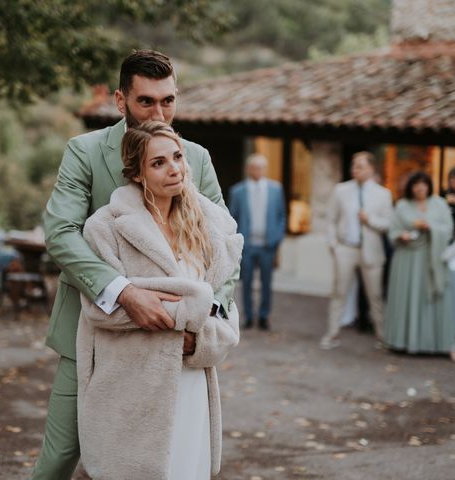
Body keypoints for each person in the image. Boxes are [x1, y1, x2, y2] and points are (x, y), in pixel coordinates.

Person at [32, 50, 238, 480]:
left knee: (174, 455)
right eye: (146, 101)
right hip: (92, 331)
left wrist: (204, 320)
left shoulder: (195, 157)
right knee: (61, 456)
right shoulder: (85, 151)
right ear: (121, 101)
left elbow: (227, 245)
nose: (158, 112)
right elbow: (61, 233)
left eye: (168, 100)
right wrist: (124, 293)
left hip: (175, 342)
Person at [76, 121, 241, 479]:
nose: (174, 169)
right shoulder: (105, 228)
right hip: (132, 386)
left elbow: (224, 311)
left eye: (178, 157)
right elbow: (99, 310)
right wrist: (182, 313)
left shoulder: (209, 228)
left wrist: (199, 342)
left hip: (191, 381)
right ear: (136, 174)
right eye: (158, 163)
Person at [384, 172, 455, 363]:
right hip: (406, 259)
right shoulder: (402, 205)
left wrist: (430, 227)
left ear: (429, 186)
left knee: (434, 299)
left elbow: (449, 229)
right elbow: (392, 230)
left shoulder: (440, 204)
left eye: (424, 184)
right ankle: (401, 340)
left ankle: (442, 344)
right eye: (416, 185)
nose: (420, 188)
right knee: (407, 298)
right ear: (410, 187)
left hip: (431, 258)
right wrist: (402, 235)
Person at [321, 152, 393, 349]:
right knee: (338, 293)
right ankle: (332, 334)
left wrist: (370, 220)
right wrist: (334, 246)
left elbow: (388, 223)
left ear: (371, 169)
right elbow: (331, 220)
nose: (355, 169)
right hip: (345, 248)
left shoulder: (383, 194)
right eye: (354, 165)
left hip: (371, 251)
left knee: (375, 296)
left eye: (360, 166)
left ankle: (382, 336)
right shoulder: (341, 190)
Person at [228, 154, 286, 330]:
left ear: (265, 169)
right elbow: (232, 217)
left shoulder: (276, 189)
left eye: (260, 167)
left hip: (268, 245)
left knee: (267, 283)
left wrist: (277, 238)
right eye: (254, 167)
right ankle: (248, 316)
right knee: (246, 283)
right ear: (248, 169)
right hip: (247, 245)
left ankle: (264, 316)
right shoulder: (238, 191)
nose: (257, 171)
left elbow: (281, 216)